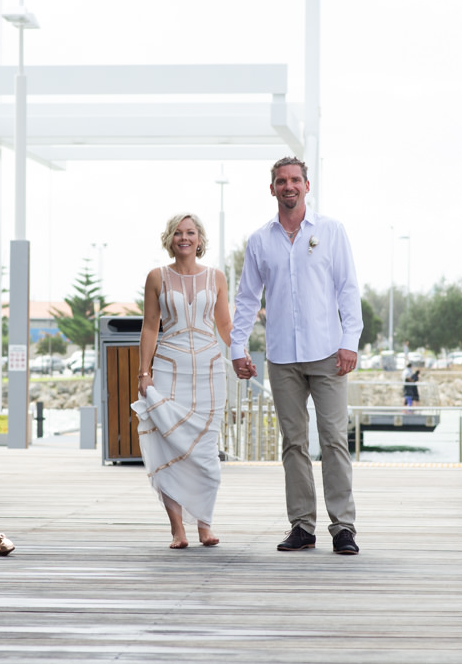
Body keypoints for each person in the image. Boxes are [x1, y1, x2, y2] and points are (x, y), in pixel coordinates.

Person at [230, 156, 363, 555]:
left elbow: (347, 289)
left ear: (307, 185)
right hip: (282, 357)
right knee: (292, 443)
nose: (288, 186)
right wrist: (237, 347)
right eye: (281, 181)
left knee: (335, 440)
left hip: (328, 352)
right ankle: (302, 526)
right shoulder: (259, 240)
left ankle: (343, 528)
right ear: (272, 188)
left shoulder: (331, 231)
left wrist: (350, 341)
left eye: (295, 180)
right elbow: (247, 298)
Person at [131, 213, 232, 549]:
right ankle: (178, 529)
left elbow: (225, 327)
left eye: (190, 232)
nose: (184, 238)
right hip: (169, 370)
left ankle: (205, 524)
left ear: (200, 240)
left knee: (205, 449)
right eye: (178, 232)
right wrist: (143, 373)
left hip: (209, 370)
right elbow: (150, 327)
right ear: (170, 239)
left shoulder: (216, 277)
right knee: (166, 444)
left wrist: (243, 355)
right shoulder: (156, 277)